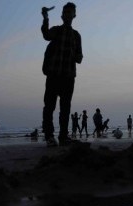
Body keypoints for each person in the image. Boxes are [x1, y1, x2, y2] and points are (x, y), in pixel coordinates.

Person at [41, 2, 83, 147]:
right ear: (62, 15)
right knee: (49, 107)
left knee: (65, 108)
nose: (67, 14)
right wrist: (45, 17)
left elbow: (80, 57)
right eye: (65, 12)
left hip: (68, 77)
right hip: (53, 75)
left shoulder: (76, 36)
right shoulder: (56, 30)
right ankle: (49, 136)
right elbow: (46, 35)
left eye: (70, 12)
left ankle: (63, 136)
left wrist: (77, 57)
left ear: (74, 15)